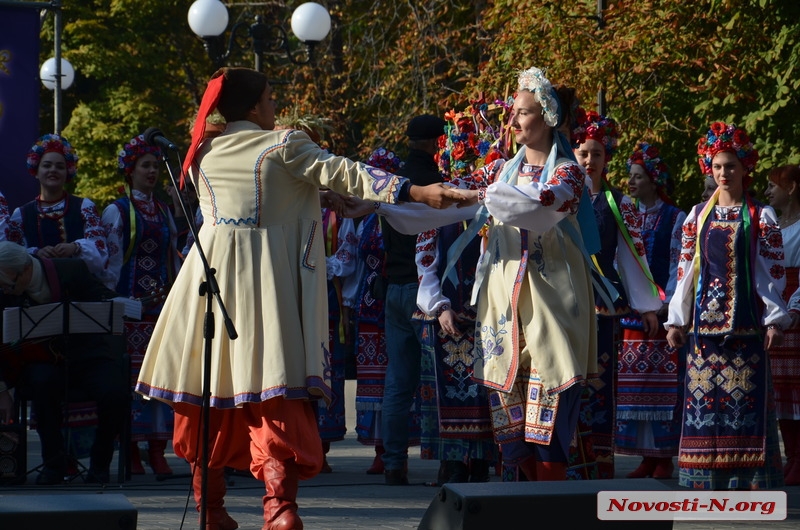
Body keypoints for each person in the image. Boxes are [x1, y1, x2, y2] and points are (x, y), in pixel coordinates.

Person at [134, 67, 466, 530]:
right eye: (270, 98)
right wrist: (413, 190)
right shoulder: (282, 143)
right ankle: (279, 509)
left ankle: (211, 509)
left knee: (212, 391)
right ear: (253, 107)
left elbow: (270, 196)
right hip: (262, 283)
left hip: (207, 280)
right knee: (272, 388)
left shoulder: (203, 151)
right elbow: (343, 171)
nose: (275, 107)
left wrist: (324, 198)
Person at [372, 66, 599, 481]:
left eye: (523, 112)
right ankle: (525, 503)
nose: (512, 120)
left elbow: (538, 205)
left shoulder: (567, 173)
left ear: (547, 118)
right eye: (512, 112)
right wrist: (377, 205)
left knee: (547, 424)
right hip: (502, 308)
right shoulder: (498, 173)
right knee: (511, 430)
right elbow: (442, 202)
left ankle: (551, 505)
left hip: (551, 303)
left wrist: (477, 196)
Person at [666, 122, 790, 490]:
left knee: (743, 409)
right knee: (705, 408)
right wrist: (676, 320)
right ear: (710, 168)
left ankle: (748, 484)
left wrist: (774, 320)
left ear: (744, 168)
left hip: (747, 328)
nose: (724, 173)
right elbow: (685, 272)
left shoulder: (760, 216)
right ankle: (704, 483)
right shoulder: (697, 217)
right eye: (718, 166)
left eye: (731, 166)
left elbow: (771, 273)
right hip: (704, 332)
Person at [572, 112, 662, 479]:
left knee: (601, 387)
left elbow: (631, 255)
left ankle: (601, 463)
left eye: (596, 154)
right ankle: (569, 461)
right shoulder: (561, 198)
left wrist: (646, 306)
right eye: (582, 154)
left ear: (606, 159)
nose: (589, 161)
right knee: (569, 382)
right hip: (568, 306)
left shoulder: (617, 203)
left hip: (604, 308)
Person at [0, 241, 128, 485]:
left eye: (9, 284)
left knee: (115, 393)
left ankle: (100, 464)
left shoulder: (71, 269)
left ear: (25, 270)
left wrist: (128, 304)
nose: (6, 291)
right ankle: (53, 465)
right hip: (41, 360)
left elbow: (104, 300)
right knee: (41, 384)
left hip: (88, 354)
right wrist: (2, 389)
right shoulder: (5, 290)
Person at [101, 134, 181, 476]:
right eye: (145, 166)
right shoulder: (117, 211)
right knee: (132, 381)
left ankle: (158, 449)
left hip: (160, 310)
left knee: (160, 379)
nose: (151, 172)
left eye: (155, 167)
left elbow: (172, 259)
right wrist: (115, 300)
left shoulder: (164, 211)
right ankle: (132, 449)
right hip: (130, 309)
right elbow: (109, 263)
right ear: (130, 171)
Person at [380, 113, 447, 486]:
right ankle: (447, 461)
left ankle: (393, 463)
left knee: (398, 381)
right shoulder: (437, 182)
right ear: (437, 142)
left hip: (394, 285)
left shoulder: (394, 180)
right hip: (425, 289)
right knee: (438, 378)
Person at [615, 142, 686, 478]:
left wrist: (667, 306)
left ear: (653, 180)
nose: (631, 181)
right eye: (630, 175)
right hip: (632, 315)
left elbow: (677, 265)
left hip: (661, 315)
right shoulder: (626, 215)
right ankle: (646, 455)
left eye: (638, 176)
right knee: (637, 387)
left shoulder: (675, 218)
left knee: (664, 387)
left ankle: (664, 457)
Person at [6, 134, 109, 281]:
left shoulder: (84, 207)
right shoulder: (21, 215)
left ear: (68, 172)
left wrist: (76, 248)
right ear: (36, 171)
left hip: (81, 295)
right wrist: (36, 254)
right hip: (38, 297)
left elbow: (101, 259)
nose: (53, 170)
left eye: (60, 166)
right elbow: (13, 260)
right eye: (47, 165)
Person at [765, 164, 800, 486]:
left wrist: (796, 307)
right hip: (778, 309)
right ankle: (792, 455)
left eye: (773, 186)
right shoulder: (772, 223)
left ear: (790, 188)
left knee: (797, 387)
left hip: (796, 310)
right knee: (783, 389)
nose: (767, 192)